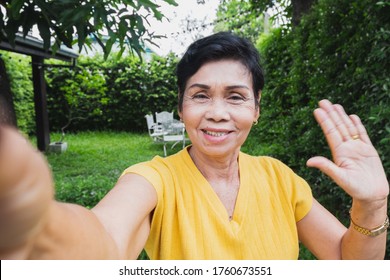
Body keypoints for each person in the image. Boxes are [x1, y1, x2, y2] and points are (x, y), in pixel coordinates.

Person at [0, 32, 388, 260]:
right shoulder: (152, 180)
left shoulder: (279, 178)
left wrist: (371, 205)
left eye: (235, 97)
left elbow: (348, 261)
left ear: (257, 110)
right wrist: (37, 224)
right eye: (200, 95)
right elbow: (104, 240)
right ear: (182, 107)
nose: (217, 113)